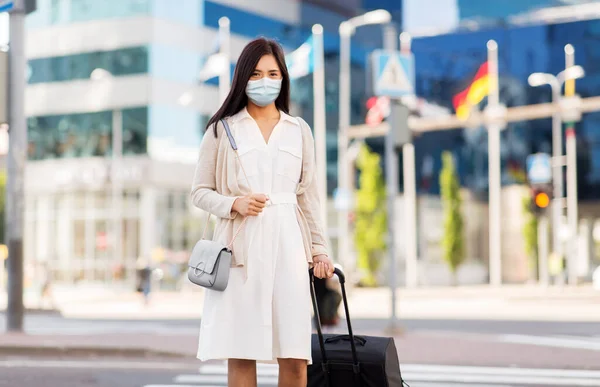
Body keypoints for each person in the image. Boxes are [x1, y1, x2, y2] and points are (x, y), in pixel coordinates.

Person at [191, 37, 334, 387]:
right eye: (256, 74)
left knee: (296, 358)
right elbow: (199, 192)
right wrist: (233, 203)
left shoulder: (299, 131)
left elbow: (308, 198)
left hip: (289, 249)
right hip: (240, 251)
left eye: (272, 73)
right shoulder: (222, 129)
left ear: (283, 78)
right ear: (243, 78)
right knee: (242, 355)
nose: (264, 80)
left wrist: (320, 249)